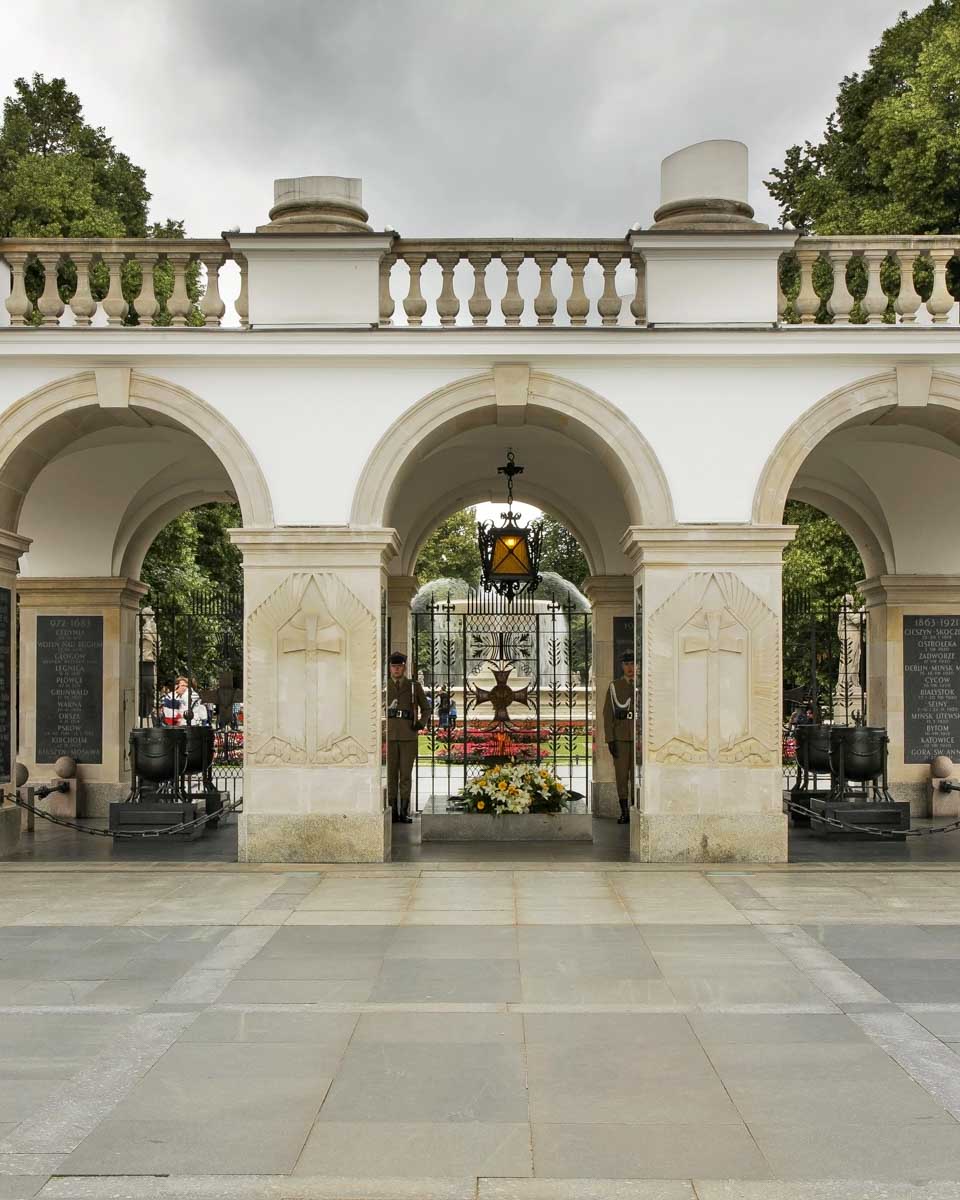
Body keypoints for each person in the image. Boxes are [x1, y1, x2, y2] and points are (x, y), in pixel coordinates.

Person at [386, 651, 429, 823]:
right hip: (390, 735)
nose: (396, 669)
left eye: (399, 666)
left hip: (408, 736)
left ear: (404, 667)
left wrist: (420, 724)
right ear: (390, 668)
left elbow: (426, 708)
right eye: (393, 666)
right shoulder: (384, 685)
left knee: (405, 775)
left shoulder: (413, 686)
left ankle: (403, 812)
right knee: (391, 776)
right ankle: (392, 812)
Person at [602, 651, 636, 825]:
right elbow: (608, 715)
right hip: (621, 738)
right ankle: (624, 812)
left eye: (633, 664)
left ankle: (635, 809)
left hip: (639, 739)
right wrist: (610, 739)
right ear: (622, 666)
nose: (630, 668)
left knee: (637, 777)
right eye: (627, 664)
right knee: (622, 776)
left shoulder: (642, 685)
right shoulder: (615, 686)